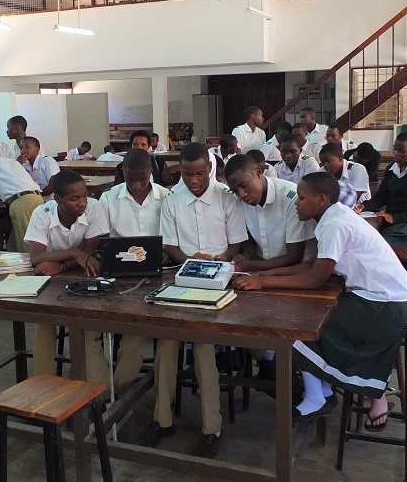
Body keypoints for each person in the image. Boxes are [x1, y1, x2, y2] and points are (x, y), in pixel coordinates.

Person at [233, 172, 407, 430]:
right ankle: (322, 391)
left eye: (302, 197)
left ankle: (318, 396)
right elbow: (311, 265)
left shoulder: (335, 224)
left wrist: (262, 282)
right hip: (374, 295)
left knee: (302, 329)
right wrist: (264, 273)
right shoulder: (332, 216)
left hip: (385, 303)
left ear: (321, 199)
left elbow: (314, 279)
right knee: (304, 321)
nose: (296, 202)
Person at [142, 142, 248, 458]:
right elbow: (171, 247)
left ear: (210, 168)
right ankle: (162, 420)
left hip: (220, 281)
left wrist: (218, 259)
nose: (194, 180)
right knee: (167, 343)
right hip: (184, 278)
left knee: (203, 347)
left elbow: (239, 246)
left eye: (200, 173)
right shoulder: (173, 201)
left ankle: (211, 428)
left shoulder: (228, 199)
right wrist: (192, 258)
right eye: (187, 174)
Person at [25, 170, 110, 383]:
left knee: (86, 325)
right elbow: (36, 257)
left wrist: (61, 264)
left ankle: (87, 389)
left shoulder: (94, 207)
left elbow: (89, 256)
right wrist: (74, 253)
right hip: (49, 280)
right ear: (58, 199)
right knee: (44, 323)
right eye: (74, 199)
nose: (82, 203)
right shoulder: (42, 213)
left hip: (82, 277)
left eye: (84, 196)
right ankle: (43, 386)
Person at [100, 148, 171, 394]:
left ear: (152, 172)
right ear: (123, 173)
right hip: (121, 278)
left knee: (161, 334)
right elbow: (102, 241)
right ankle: (119, 391)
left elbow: (174, 239)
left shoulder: (166, 196)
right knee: (130, 331)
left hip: (159, 276)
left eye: (143, 178)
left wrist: (165, 252)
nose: (138, 185)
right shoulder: (109, 198)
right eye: (131, 179)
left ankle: (131, 392)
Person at [359, 130, 407, 289]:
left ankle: (402, 290)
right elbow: (382, 196)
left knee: (382, 246)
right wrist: (364, 206)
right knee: (365, 239)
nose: (396, 153)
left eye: (402, 150)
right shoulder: (391, 169)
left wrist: (394, 218)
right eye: (395, 149)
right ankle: (379, 288)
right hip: (394, 220)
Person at [225, 153, 313, 273]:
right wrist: (245, 257)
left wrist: (251, 266)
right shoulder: (240, 201)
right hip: (262, 268)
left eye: (244, 185)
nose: (242, 194)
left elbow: (294, 257)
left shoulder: (292, 199)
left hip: (295, 272)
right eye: (235, 191)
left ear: (258, 172)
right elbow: (250, 240)